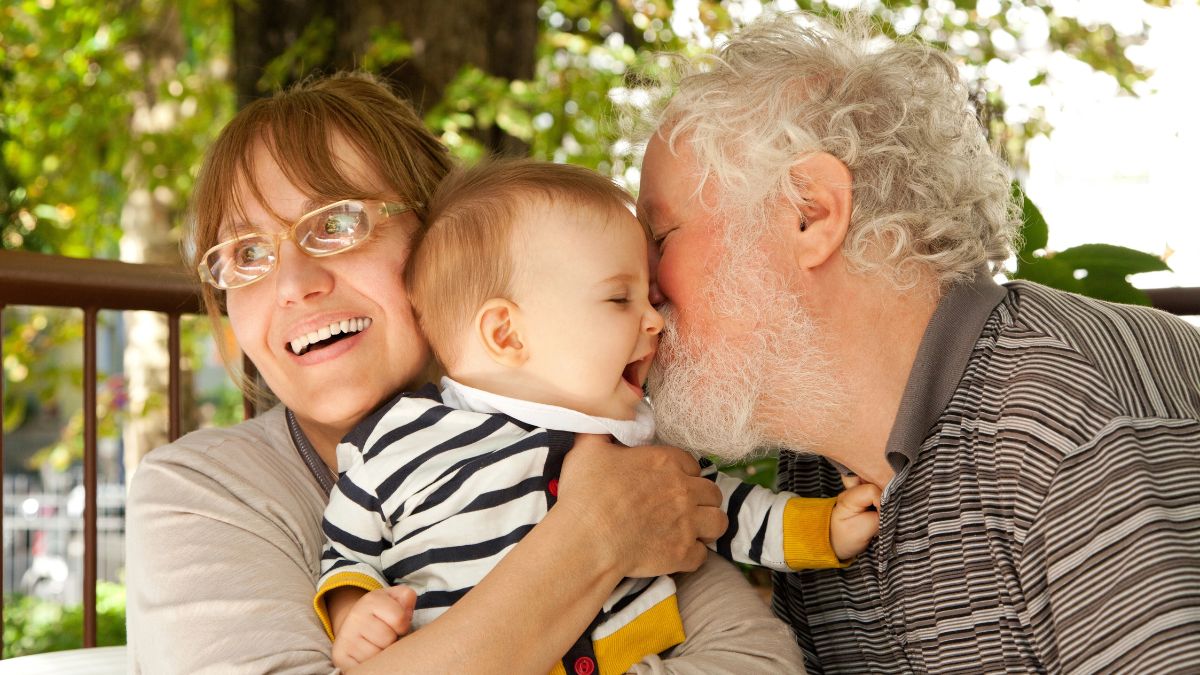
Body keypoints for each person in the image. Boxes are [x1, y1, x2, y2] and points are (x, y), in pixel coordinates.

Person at [125, 72, 805, 674]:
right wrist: (593, 534)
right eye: (246, 253)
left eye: (336, 222)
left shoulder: (590, 426)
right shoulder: (202, 493)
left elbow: (756, 659)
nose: (294, 283)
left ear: (436, 238)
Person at [636, 13, 1200, 674]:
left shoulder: (1059, 406)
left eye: (661, 236)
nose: (640, 284)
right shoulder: (817, 464)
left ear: (810, 212)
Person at [314, 159, 882, 672]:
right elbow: (346, 549)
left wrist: (821, 528)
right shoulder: (396, 442)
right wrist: (354, 610)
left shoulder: (631, 446)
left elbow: (722, 509)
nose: (655, 320)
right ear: (507, 333)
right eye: (619, 299)